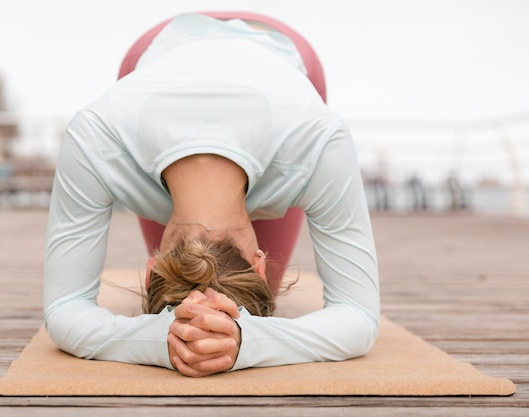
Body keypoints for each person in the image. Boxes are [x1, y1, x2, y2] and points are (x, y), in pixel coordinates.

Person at [43, 12, 380, 378]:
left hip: (276, 49)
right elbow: (356, 319)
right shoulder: (322, 144)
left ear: (150, 268)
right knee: (269, 302)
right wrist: (246, 339)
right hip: (163, 53)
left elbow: (65, 308)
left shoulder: (317, 142)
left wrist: (166, 337)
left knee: (260, 301)